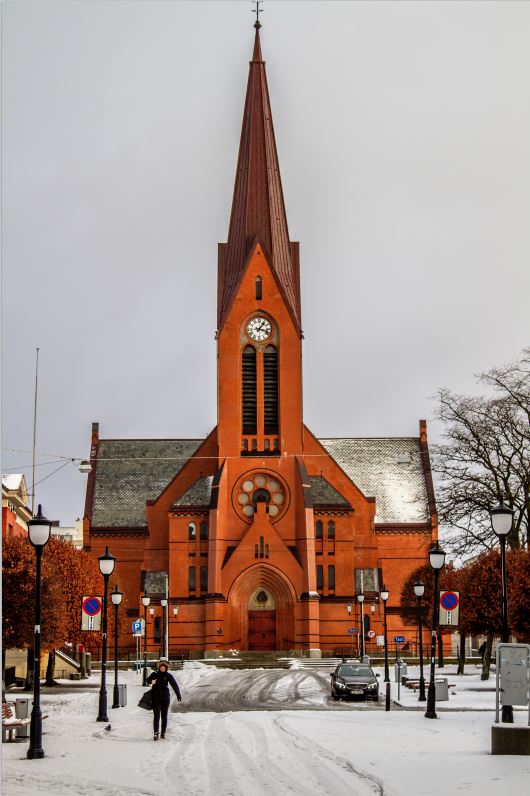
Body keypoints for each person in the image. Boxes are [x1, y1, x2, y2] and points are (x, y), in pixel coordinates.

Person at [147, 659, 181, 740]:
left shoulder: (168, 675)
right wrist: (152, 681)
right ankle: (156, 733)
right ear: (159, 668)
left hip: (165, 698)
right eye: (161, 668)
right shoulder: (154, 674)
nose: (162, 669)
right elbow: (147, 680)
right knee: (156, 716)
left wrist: (178, 695)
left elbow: (174, 685)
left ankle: (163, 732)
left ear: (166, 669)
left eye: (164, 668)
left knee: (164, 716)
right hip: (156, 698)